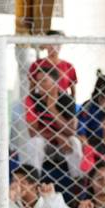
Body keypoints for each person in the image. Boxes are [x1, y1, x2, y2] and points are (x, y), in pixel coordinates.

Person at [23, 66, 83, 195]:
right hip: (45, 143)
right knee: (35, 142)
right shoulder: (32, 99)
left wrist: (52, 108)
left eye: (44, 81)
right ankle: (34, 182)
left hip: (63, 144)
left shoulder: (67, 100)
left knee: (75, 142)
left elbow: (71, 131)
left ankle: (77, 184)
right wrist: (56, 134)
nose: (39, 84)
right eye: (38, 81)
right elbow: (33, 132)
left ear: (55, 83)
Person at [28, 30, 77, 98]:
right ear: (46, 44)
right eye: (50, 43)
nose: (53, 46)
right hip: (42, 101)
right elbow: (32, 89)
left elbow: (73, 93)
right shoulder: (37, 64)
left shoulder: (69, 66)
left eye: (57, 43)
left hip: (62, 102)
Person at [79, 71, 105, 146]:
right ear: (103, 89)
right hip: (92, 139)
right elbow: (81, 125)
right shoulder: (88, 106)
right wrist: (83, 137)